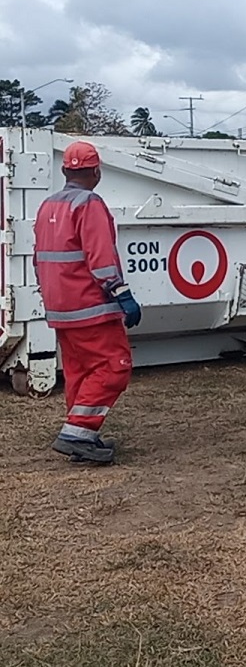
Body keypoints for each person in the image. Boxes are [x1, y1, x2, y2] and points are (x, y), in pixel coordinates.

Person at [32, 141, 142, 465]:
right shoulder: (90, 204)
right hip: (91, 307)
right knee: (113, 367)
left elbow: (39, 258)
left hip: (60, 308)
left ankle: (81, 435)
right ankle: (77, 432)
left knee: (79, 372)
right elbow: (101, 258)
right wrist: (123, 295)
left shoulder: (47, 206)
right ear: (96, 172)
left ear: (65, 171)